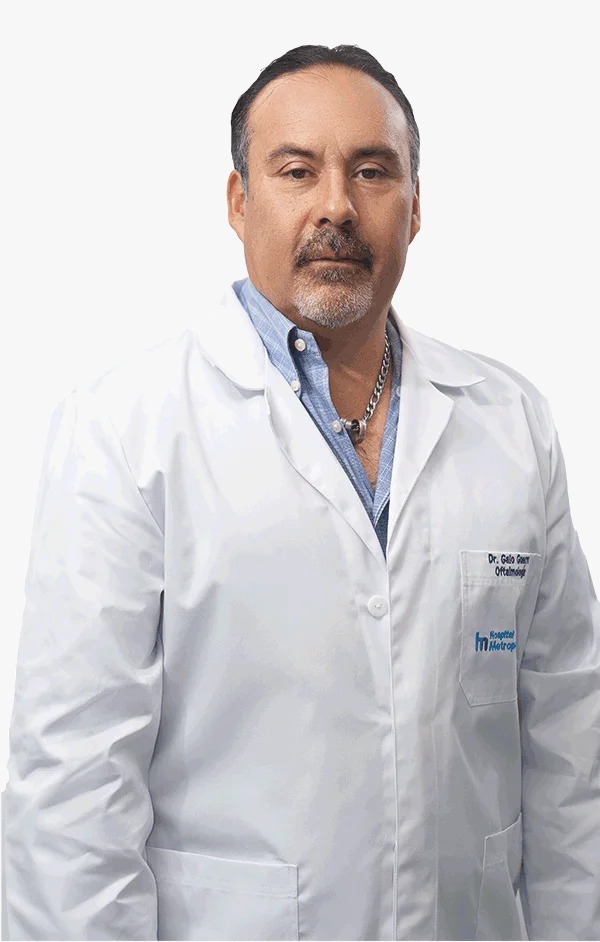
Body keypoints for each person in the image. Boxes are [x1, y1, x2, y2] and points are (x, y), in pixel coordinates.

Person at [2, 42, 599, 941]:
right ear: (239, 201)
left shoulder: (510, 423)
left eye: (372, 171)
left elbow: (569, 750)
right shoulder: (126, 429)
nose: (337, 206)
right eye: (296, 171)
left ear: (416, 205)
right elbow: (72, 790)